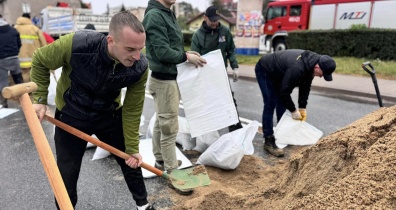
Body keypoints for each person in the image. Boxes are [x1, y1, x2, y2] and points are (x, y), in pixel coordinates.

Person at [31, 11, 155, 210]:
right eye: (130, 49)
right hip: (71, 115)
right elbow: (40, 60)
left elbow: (132, 110)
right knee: (66, 174)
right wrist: (39, 100)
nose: (137, 56)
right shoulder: (77, 45)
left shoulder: (139, 67)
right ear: (111, 40)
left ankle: (144, 205)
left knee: (131, 160)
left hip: (108, 114)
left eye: (141, 48)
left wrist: (132, 148)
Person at [142, 0, 206, 196]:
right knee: (170, 127)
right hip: (164, 81)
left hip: (166, 79)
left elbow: (171, 45)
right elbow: (162, 52)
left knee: (162, 122)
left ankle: (160, 158)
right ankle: (173, 173)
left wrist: (187, 53)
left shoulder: (166, 12)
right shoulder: (155, 15)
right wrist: (186, 57)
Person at [255, 49, 336, 157]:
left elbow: (305, 87)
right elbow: (285, 92)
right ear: (317, 67)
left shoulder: (310, 65)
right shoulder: (297, 68)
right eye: (322, 74)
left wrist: (302, 107)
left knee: (282, 103)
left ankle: (281, 135)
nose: (321, 76)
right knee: (270, 102)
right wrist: (293, 110)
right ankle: (269, 141)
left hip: (280, 71)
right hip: (265, 69)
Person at [191, 5, 243, 132]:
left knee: (229, 100)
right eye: (212, 20)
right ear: (205, 18)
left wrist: (235, 67)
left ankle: (235, 129)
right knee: (207, 103)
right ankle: (208, 131)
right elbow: (194, 56)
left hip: (221, 73)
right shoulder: (197, 36)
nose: (215, 23)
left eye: (216, 20)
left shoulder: (224, 31)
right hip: (205, 74)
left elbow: (230, 50)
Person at [14, 13, 46, 83]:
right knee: (34, 73)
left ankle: (27, 89)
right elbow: (43, 43)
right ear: (29, 19)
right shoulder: (34, 28)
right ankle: (33, 89)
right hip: (34, 56)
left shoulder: (15, 28)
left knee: (24, 73)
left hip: (20, 57)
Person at [0, 14, 23, 108]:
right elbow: (19, 43)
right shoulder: (12, 29)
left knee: (3, 81)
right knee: (19, 80)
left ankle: (3, 104)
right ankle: (25, 102)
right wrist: (15, 51)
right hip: (14, 58)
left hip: (1, 60)